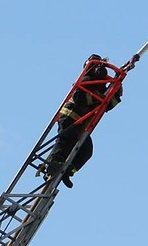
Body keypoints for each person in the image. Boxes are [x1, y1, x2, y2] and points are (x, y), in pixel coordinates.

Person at [45, 54, 122, 188]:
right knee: (65, 141)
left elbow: (106, 107)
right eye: (97, 66)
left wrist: (115, 93)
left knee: (86, 150)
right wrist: (97, 98)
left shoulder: (102, 86)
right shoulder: (87, 79)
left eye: (102, 65)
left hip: (82, 122)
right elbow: (79, 97)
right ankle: (52, 165)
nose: (100, 68)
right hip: (70, 116)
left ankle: (67, 171)